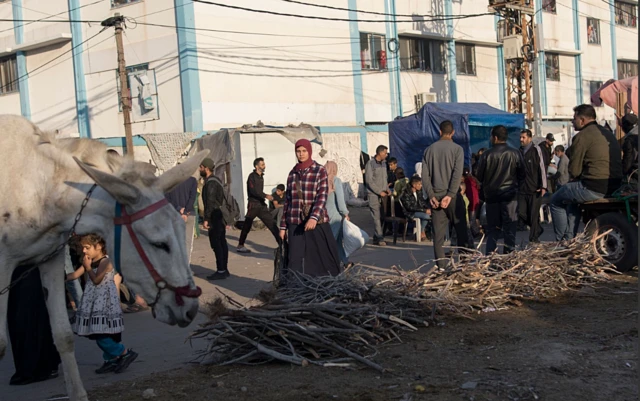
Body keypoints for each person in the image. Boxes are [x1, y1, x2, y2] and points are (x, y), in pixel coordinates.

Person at [550, 105, 623, 240]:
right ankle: (569, 238)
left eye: (574, 118)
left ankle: (561, 242)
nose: (573, 122)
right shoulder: (607, 133)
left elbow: (574, 170)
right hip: (616, 185)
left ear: (582, 120)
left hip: (594, 187)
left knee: (555, 200)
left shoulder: (581, 137)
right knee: (571, 198)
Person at [70, 234, 137, 374]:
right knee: (100, 332)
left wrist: (88, 268)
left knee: (100, 334)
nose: (84, 251)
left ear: (99, 246)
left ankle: (124, 353)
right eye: (83, 248)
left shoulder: (106, 262)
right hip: (93, 303)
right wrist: (58, 277)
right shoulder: (89, 260)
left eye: (87, 248)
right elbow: (75, 275)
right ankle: (111, 360)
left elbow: (97, 280)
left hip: (104, 304)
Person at [279, 139, 341, 276]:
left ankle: (324, 287)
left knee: (321, 258)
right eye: (298, 151)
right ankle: (296, 289)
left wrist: (313, 217)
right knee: (295, 259)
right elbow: (287, 201)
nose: (301, 154)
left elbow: (322, 196)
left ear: (309, 151)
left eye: (304, 151)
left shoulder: (319, 171)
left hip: (316, 222)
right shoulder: (292, 173)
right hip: (295, 222)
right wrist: (283, 226)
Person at [422, 120, 471, 268]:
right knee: (461, 232)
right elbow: (457, 174)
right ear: (453, 132)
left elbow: (425, 176)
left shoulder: (429, 150)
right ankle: (464, 266)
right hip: (453, 198)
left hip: (436, 199)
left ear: (439, 132)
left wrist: (431, 196)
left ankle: (441, 268)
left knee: (438, 237)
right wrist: (449, 195)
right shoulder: (457, 149)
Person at [476, 125, 526, 255]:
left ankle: (490, 255)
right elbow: (522, 175)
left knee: (493, 229)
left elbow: (479, 176)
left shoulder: (487, 155)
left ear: (495, 137)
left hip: (492, 196)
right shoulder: (515, 153)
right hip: (510, 196)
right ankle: (509, 255)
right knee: (510, 228)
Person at [7, 264, 60, 385]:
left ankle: (35, 367)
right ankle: (39, 365)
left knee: (27, 321)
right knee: (27, 321)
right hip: (21, 277)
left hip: (26, 276)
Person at [237, 157, 281, 253]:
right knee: (247, 225)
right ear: (257, 166)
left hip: (261, 205)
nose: (264, 166)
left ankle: (282, 245)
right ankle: (240, 245)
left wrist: (264, 197)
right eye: (262, 165)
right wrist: (266, 196)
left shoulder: (261, 177)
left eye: (264, 164)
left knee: (272, 224)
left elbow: (259, 192)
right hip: (253, 205)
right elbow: (254, 191)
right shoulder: (252, 177)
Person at [201, 157, 229, 280]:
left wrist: (206, 219)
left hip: (215, 216)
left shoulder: (211, 183)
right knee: (222, 242)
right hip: (219, 215)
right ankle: (224, 269)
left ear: (206, 168)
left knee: (217, 243)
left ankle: (221, 270)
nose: (199, 169)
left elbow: (210, 202)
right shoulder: (215, 180)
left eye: (201, 167)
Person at [518, 129, 548, 243]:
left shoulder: (536, 150)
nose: (521, 139)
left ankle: (534, 238)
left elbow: (542, 168)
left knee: (533, 214)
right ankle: (538, 229)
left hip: (535, 188)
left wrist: (543, 186)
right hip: (522, 188)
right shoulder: (519, 151)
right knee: (521, 213)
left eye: (523, 137)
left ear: (529, 138)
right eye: (520, 137)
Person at [325, 161, 352, 267]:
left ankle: (345, 261)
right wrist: (345, 213)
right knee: (331, 241)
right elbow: (340, 200)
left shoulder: (322, 181)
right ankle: (329, 264)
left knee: (338, 240)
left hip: (325, 215)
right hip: (335, 216)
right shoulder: (336, 180)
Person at [365, 145, 391, 246]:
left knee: (382, 216)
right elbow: (369, 181)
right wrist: (379, 191)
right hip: (373, 194)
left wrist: (387, 189)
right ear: (380, 153)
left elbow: (384, 178)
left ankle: (377, 237)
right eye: (385, 153)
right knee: (376, 216)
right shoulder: (370, 164)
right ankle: (380, 238)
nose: (386, 155)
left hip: (383, 194)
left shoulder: (384, 164)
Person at [400, 176, 431, 241]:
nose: (421, 186)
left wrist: (428, 208)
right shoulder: (406, 193)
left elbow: (422, 202)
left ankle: (420, 231)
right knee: (427, 216)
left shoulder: (419, 192)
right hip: (410, 212)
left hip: (418, 210)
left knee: (430, 214)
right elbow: (409, 207)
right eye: (419, 184)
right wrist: (424, 210)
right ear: (414, 185)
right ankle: (422, 231)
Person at [463, 166, 481, 238]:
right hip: (476, 201)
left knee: (471, 219)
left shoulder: (467, 182)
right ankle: (476, 232)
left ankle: (476, 233)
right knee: (472, 218)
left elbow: (470, 194)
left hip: (472, 203)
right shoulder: (473, 180)